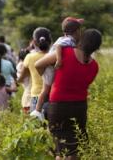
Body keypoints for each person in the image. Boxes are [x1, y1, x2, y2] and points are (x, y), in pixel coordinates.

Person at [35, 29, 102, 159]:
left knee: (60, 148)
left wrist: (50, 80)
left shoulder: (64, 53)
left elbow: (38, 64)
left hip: (58, 107)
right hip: (80, 108)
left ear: (81, 40)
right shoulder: (95, 66)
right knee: (75, 148)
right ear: (96, 47)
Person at [31, 17, 84, 119]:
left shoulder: (68, 39)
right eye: (80, 30)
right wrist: (59, 60)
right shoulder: (67, 40)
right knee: (46, 90)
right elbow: (59, 46)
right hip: (50, 68)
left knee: (46, 90)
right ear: (77, 31)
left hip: (50, 68)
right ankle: (37, 111)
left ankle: (39, 111)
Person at [17, 27, 52, 113]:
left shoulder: (29, 57)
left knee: (37, 124)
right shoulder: (54, 56)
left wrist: (18, 80)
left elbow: (22, 77)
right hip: (53, 96)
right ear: (50, 41)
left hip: (36, 95)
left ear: (34, 42)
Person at [16, 49, 31, 114]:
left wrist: (16, 80)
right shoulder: (27, 64)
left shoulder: (21, 65)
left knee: (27, 108)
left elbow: (20, 79)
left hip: (28, 90)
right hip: (29, 88)